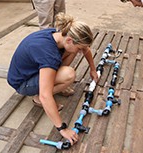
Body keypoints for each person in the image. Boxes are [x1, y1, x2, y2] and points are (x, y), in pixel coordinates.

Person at [7, 12, 98, 145]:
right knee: (69, 74)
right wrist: (62, 128)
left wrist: (93, 69)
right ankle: (36, 98)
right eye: (79, 48)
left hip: (30, 70)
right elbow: (45, 95)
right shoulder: (49, 54)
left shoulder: (60, 34)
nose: (80, 52)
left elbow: (85, 49)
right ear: (70, 40)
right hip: (23, 83)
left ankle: (54, 83)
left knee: (70, 52)